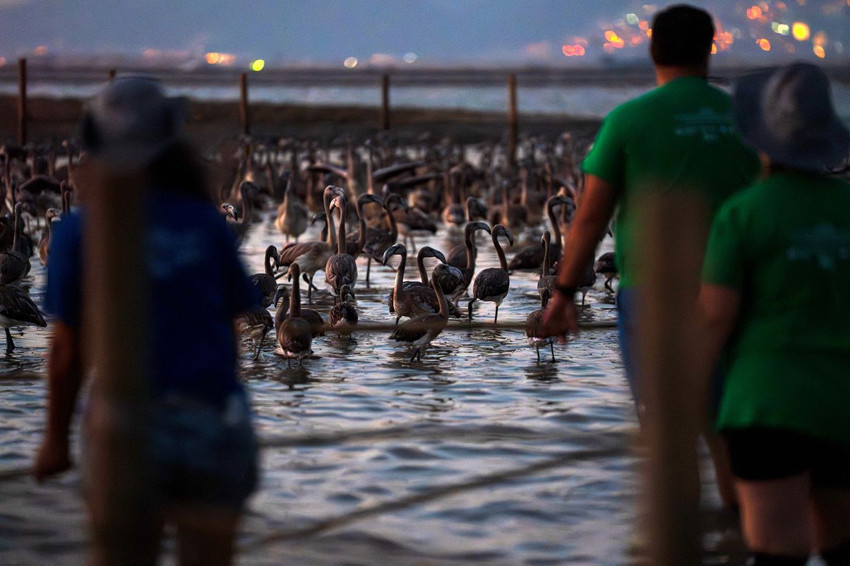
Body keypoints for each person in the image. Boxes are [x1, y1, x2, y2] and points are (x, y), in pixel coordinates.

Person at [539, 4, 760, 506]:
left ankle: (676, 535)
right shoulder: (746, 122)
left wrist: (564, 293)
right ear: (709, 50)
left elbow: (589, 219)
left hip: (653, 296)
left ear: (652, 49)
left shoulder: (628, 121)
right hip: (736, 295)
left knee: (665, 433)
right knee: (729, 432)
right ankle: (737, 537)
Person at [33, 77, 260, 565]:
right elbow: (231, 330)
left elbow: (67, 352)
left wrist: (55, 442)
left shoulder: (76, 232)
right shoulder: (207, 224)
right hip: (213, 420)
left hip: (126, 432)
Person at [698, 63, 850, 565]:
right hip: (842, 402)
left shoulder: (742, 214)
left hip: (765, 406)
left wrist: (681, 390)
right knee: (842, 544)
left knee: (776, 550)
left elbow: (714, 318)